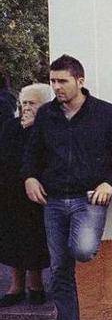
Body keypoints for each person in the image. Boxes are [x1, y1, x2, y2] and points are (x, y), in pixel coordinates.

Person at [22, 55, 112, 320]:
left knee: (82, 250)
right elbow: (31, 154)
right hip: (52, 202)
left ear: (80, 80)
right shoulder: (47, 116)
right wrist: (29, 177)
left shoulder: (106, 114)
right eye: (52, 81)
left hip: (88, 199)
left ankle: (71, 250)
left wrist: (111, 182)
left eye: (62, 81)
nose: (56, 87)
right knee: (60, 270)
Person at [0, 84, 54, 307]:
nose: (27, 107)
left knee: (35, 238)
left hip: (38, 190)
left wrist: (38, 126)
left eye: (32, 103)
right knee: (12, 237)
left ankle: (36, 284)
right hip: (11, 190)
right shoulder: (11, 127)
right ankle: (16, 285)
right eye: (24, 103)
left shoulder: (50, 126)